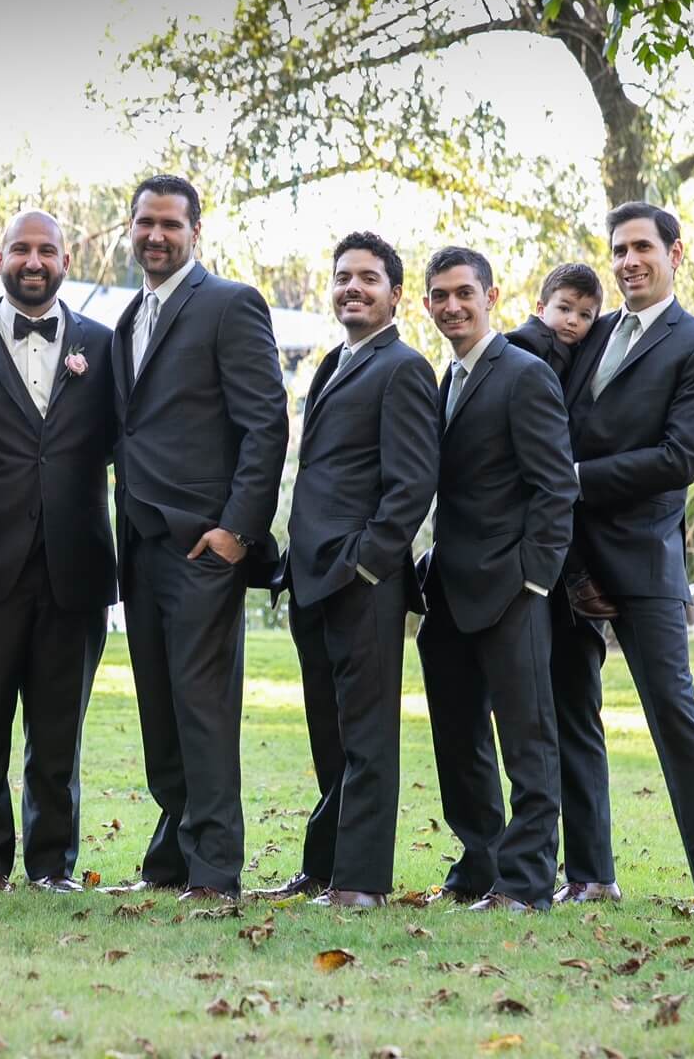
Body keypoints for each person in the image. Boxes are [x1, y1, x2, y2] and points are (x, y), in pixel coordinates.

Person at [551, 201, 694, 911]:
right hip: (567, 559)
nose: (628, 261)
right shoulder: (586, 333)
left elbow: (678, 457)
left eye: (641, 248)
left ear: (674, 254)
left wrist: (571, 478)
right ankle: (590, 874)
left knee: (674, 712)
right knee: (573, 713)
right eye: (618, 251)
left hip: (643, 558)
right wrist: (567, 560)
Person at [105, 174, 288, 902]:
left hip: (203, 548)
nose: (155, 235)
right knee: (159, 707)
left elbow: (264, 423)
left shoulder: (230, 304)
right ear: (131, 228)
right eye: (144, 223)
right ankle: (173, 856)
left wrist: (237, 531)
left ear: (195, 231)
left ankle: (215, 872)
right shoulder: (128, 318)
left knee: (203, 708)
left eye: (169, 224)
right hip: (140, 548)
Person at [0, 210, 117, 894]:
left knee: (59, 732)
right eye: (20, 250)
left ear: (65, 260)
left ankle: (50, 867)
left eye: (46, 251)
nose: (33, 262)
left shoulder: (104, 346)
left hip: (76, 568)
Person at [252, 232, 437, 909]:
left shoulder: (404, 368)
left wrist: (366, 567)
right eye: (342, 277)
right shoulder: (333, 363)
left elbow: (411, 486)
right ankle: (325, 867)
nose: (352, 288)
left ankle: (360, 883)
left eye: (367, 278)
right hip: (311, 582)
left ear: (394, 293)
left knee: (366, 738)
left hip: (362, 586)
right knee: (329, 735)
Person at [415, 245, 575, 912]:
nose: (452, 305)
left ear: (491, 297)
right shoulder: (438, 379)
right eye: (440, 296)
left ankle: (529, 881)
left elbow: (556, 487)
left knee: (527, 741)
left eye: (464, 293)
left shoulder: (524, 375)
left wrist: (533, 581)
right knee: (458, 740)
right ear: (426, 305)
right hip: (447, 591)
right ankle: (480, 863)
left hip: (512, 591)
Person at [506, 263, 615, 620]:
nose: (572, 321)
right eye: (564, 308)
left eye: (585, 315)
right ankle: (575, 576)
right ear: (541, 309)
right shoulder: (532, 344)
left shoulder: (571, 354)